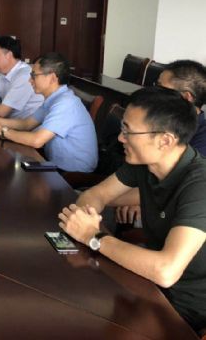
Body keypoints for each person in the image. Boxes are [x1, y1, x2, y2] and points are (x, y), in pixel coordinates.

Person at [58, 87, 206, 335]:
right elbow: (95, 195)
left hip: (187, 313)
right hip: (148, 286)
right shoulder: (145, 163)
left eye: (128, 131)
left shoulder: (199, 184)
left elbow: (166, 271)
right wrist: (86, 220)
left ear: (165, 140)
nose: (120, 138)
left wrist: (93, 237)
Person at [116, 59, 206, 226]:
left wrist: (141, 201)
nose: (153, 92)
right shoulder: (148, 126)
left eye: (161, 88)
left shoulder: (202, 141)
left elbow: (182, 189)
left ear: (186, 97)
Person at [0, 52, 98, 172]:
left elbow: (37, 141)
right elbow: (26, 124)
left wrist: (2, 130)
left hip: (72, 173)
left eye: (34, 75)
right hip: (53, 163)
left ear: (52, 78)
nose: (29, 80)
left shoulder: (65, 103)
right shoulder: (53, 98)